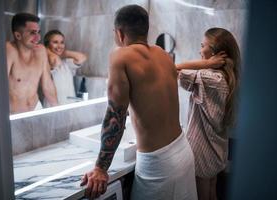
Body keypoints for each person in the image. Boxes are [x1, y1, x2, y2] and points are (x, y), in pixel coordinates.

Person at [81, 5, 197, 200]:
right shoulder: (163, 54)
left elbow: (115, 116)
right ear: (146, 29)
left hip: (159, 164)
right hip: (183, 152)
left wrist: (101, 168)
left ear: (119, 32)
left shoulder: (120, 56)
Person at [176, 27, 241, 200]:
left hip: (201, 151)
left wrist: (206, 64)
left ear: (215, 53)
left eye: (202, 45)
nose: (199, 50)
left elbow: (172, 69)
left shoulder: (210, 78)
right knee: (212, 191)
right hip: (216, 149)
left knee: (204, 194)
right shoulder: (226, 78)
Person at [6, 13, 58, 114]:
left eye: (39, 32)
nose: (38, 38)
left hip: (36, 108)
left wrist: (58, 110)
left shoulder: (41, 51)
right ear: (18, 35)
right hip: (14, 114)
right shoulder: (9, 50)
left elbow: (47, 85)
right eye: (33, 33)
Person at [43, 30, 87, 105]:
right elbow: (56, 61)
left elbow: (82, 58)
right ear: (47, 45)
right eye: (55, 42)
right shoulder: (46, 63)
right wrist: (46, 50)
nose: (59, 45)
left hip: (69, 105)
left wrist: (62, 52)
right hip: (53, 106)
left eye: (62, 42)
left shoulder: (66, 62)